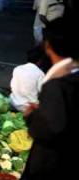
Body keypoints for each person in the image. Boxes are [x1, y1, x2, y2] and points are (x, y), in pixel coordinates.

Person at [22, 18, 79, 179]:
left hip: (51, 164)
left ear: (48, 46)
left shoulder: (56, 85)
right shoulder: (73, 73)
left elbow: (46, 130)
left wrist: (31, 116)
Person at [10, 46, 46, 112]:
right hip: (29, 108)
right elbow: (43, 93)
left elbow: (12, 86)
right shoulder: (40, 74)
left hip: (14, 103)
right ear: (40, 60)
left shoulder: (17, 69)